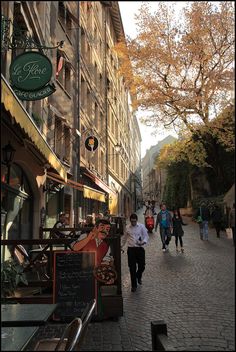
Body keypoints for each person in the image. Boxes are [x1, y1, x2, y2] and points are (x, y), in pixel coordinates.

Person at [121, 213, 149, 292]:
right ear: (130, 221)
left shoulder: (141, 226)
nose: (133, 223)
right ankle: (134, 286)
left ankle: (138, 276)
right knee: (132, 268)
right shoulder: (127, 228)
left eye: (134, 221)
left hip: (140, 249)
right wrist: (121, 246)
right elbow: (124, 238)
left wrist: (143, 242)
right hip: (131, 250)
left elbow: (146, 236)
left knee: (142, 266)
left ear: (137, 220)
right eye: (132, 221)